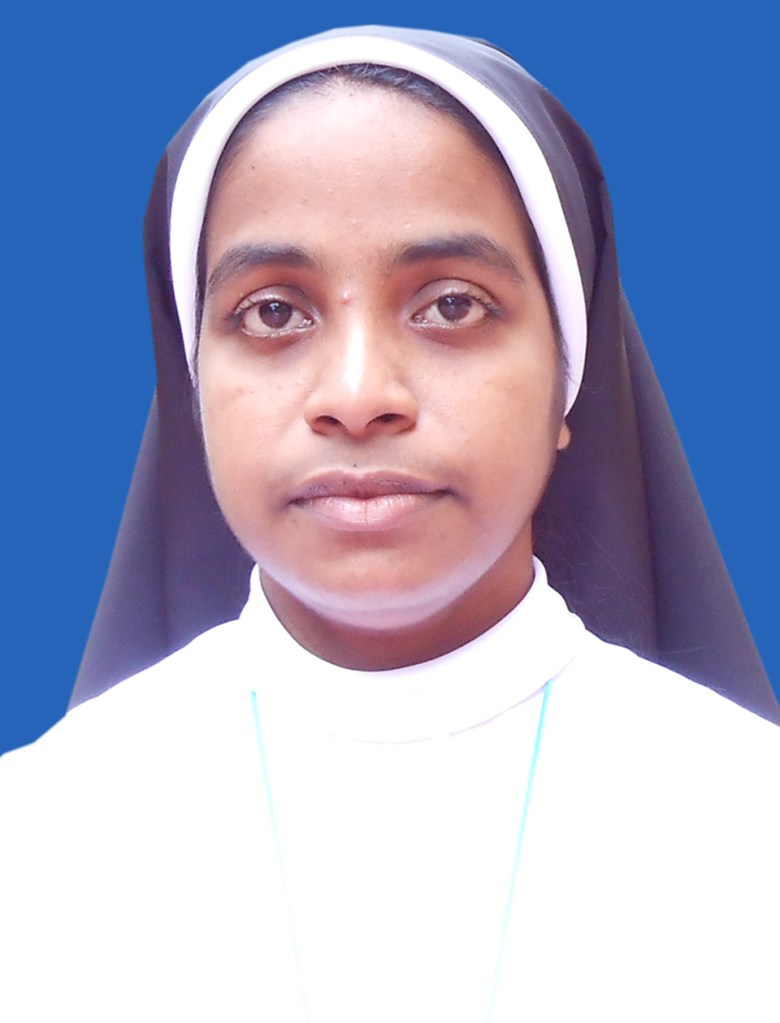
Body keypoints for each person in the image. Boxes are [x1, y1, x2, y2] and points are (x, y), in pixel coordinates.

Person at [1, 25, 777, 1022]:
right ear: (195, 385)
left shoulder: (751, 827)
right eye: (273, 313)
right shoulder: (38, 841)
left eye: (451, 305)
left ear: (569, 376)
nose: (359, 395)